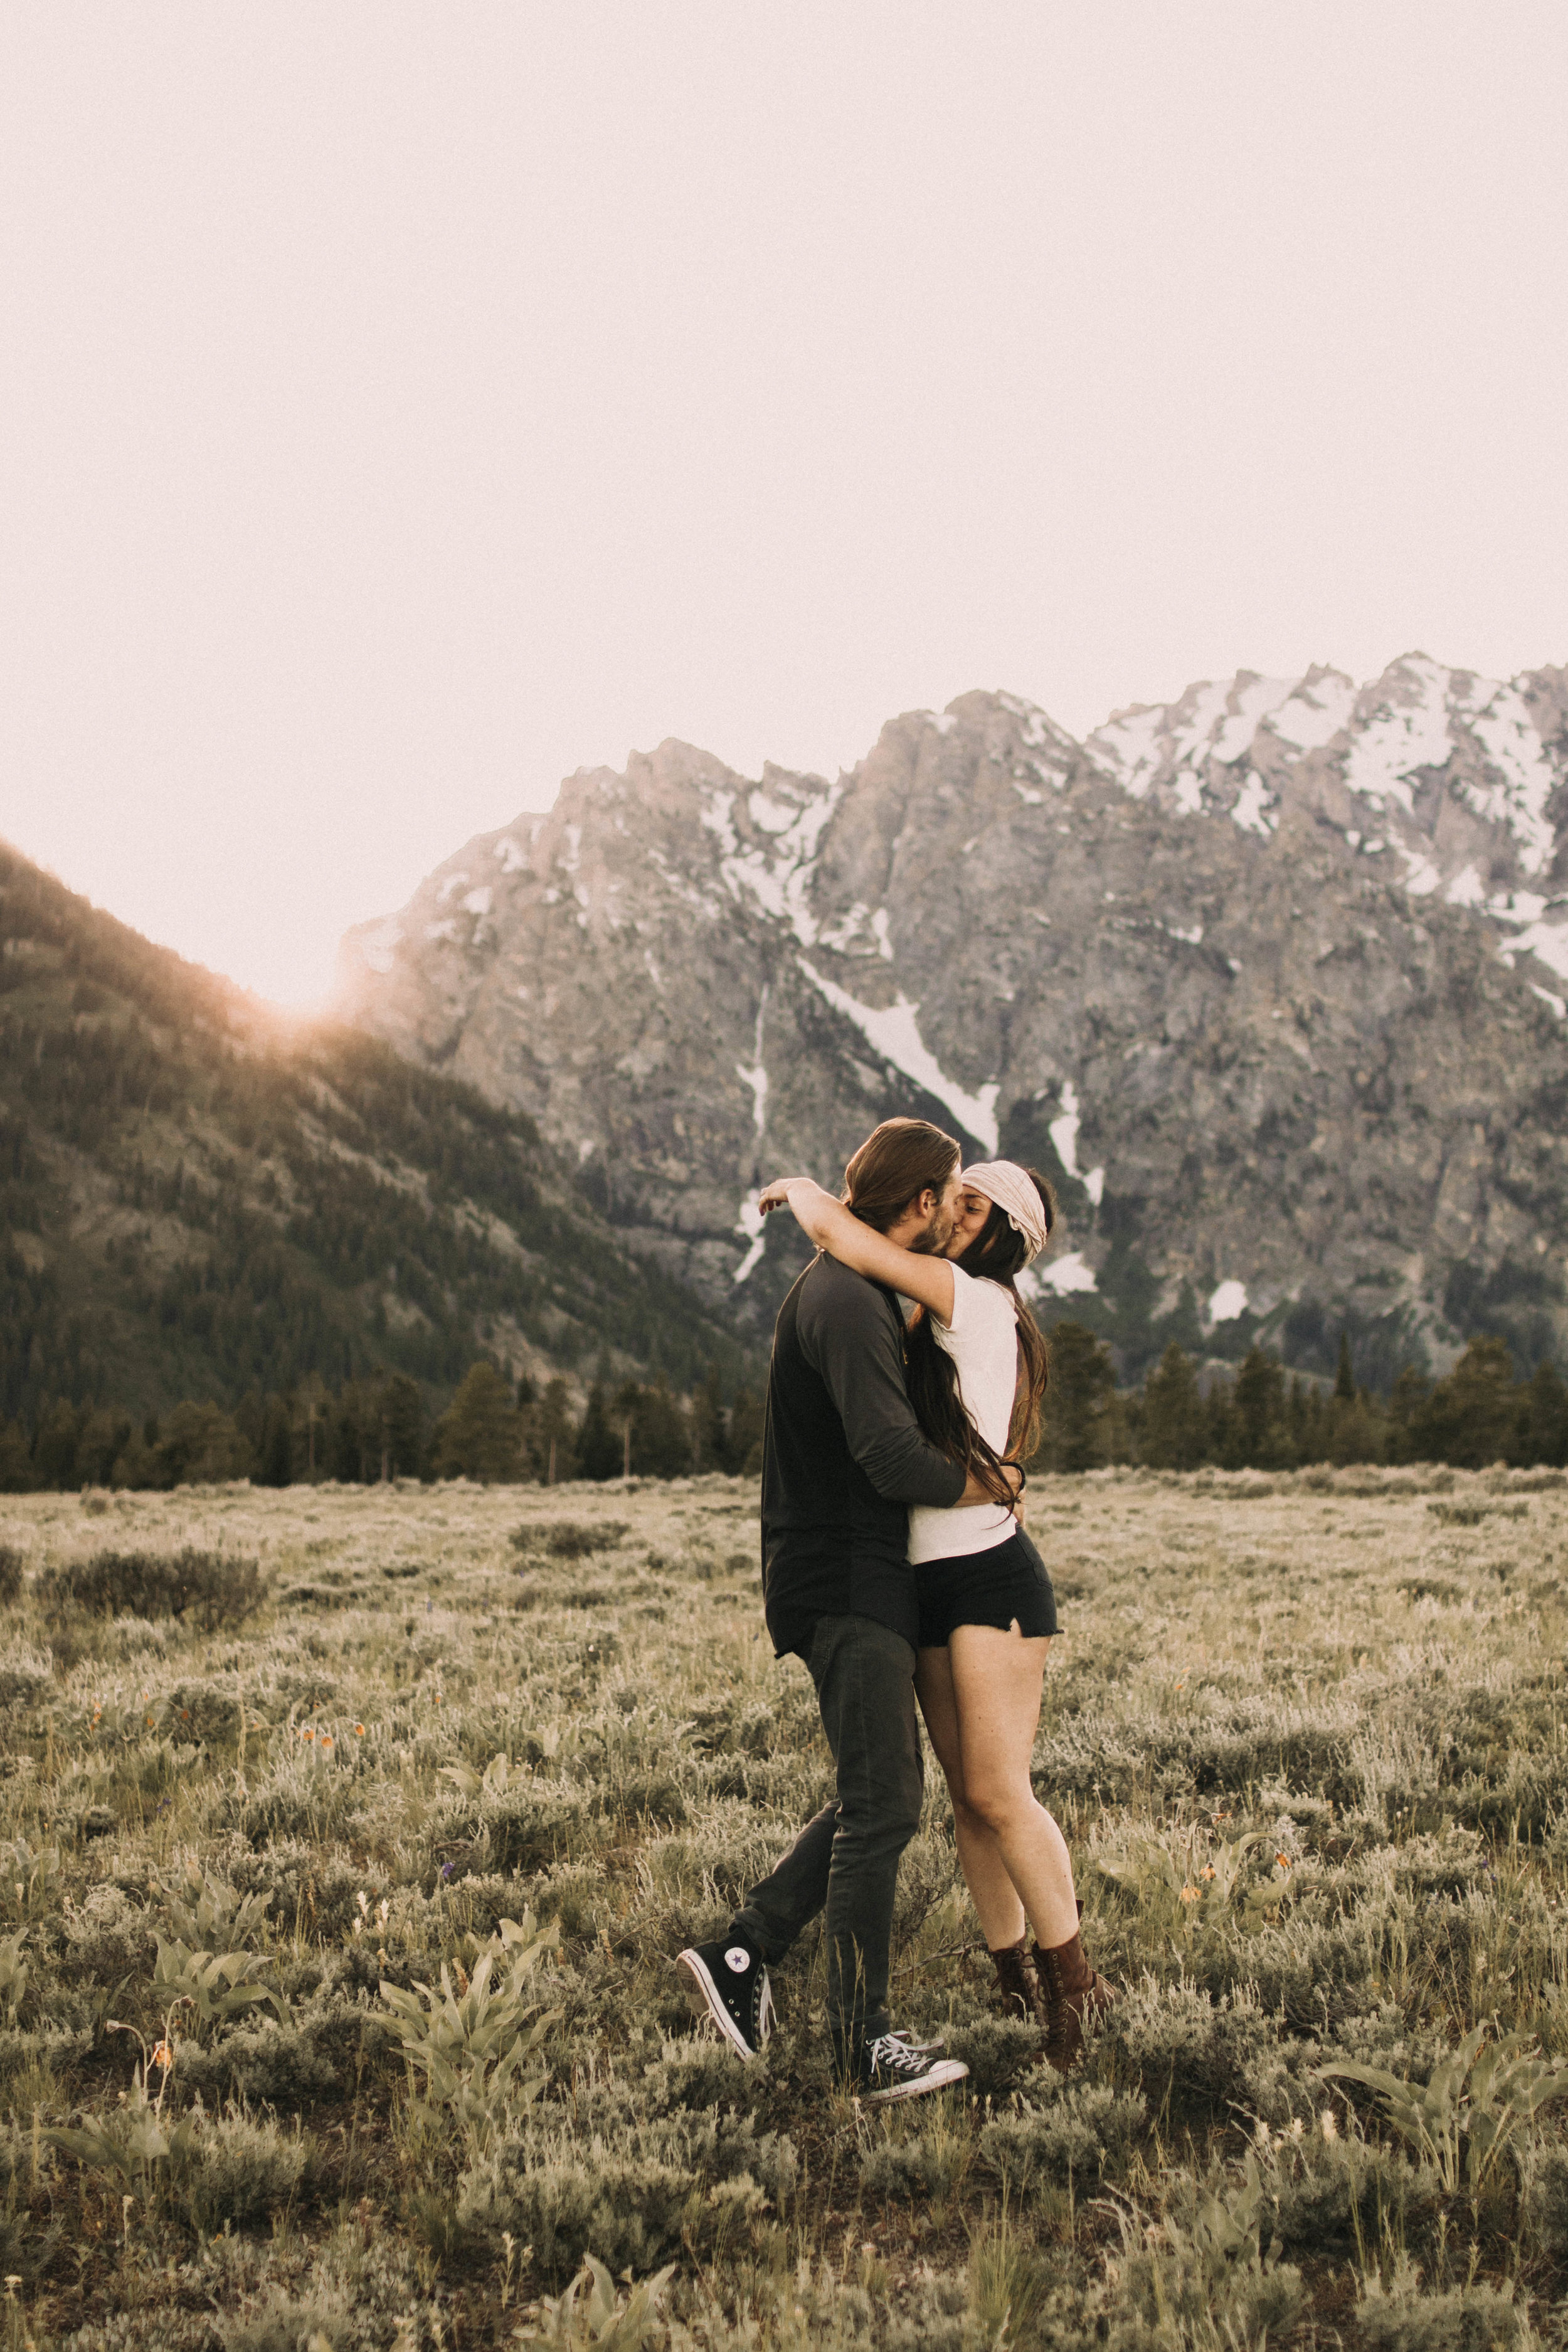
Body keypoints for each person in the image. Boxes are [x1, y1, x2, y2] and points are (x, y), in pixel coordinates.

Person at [676, 1118, 1021, 2103]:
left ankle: (744, 1954)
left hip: (848, 1571)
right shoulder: (849, 1300)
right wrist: (990, 1481)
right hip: (844, 1575)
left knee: (879, 1788)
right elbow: (891, 1459)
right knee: (884, 1804)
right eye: (949, 1198)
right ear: (918, 1204)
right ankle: (859, 2042)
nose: (955, 1214)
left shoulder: (851, 1290)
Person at [753, 1158, 1115, 2072]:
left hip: (989, 1576)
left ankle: (1076, 1986)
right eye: (952, 1195)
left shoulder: (976, 1295)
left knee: (999, 1791)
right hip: (924, 1580)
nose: (952, 1210)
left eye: (970, 1202)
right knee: (966, 1797)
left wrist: (801, 1190)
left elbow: (846, 1237)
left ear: (1001, 1231)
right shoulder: (942, 1303)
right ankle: (1012, 1980)